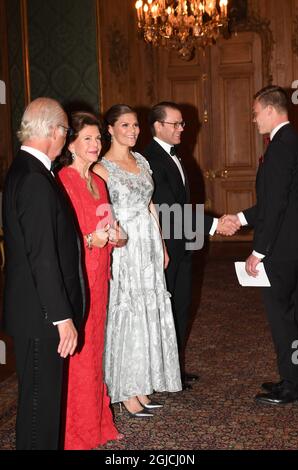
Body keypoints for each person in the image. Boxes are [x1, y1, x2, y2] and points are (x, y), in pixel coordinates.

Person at [2, 97, 85, 450]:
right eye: (66, 131)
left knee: (39, 408)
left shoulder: (24, 169)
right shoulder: (34, 179)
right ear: (53, 131)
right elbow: (42, 257)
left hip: (35, 312)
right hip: (41, 316)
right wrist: (61, 316)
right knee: (40, 412)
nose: (66, 139)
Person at [93, 104, 182, 417]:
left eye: (135, 126)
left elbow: (151, 204)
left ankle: (143, 384)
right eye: (125, 125)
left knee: (149, 309)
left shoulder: (142, 160)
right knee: (129, 311)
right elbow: (100, 213)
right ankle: (126, 390)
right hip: (124, 246)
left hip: (148, 243)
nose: (132, 131)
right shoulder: (101, 168)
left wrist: (162, 244)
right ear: (110, 129)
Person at [143, 101, 239, 388]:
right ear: (158, 126)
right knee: (166, 310)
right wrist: (214, 224)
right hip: (165, 249)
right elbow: (170, 208)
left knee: (181, 307)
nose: (182, 128)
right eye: (176, 123)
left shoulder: (177, 155)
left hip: (182, 244)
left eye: (182, 123)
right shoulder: (149, 159)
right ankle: (162, 374)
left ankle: (175, 371)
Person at [226, 85, 298, 404]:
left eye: (255, 113)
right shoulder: (290, 142)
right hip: (292, 246)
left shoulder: (282, 145)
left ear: (270, 110)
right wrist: (240, 218)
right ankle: (294, 377)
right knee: (293, 315)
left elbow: (276, 205)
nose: (254, 120)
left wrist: (259, 252)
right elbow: (276, 202)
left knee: (282, 318)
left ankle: (292, 384)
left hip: (282, 250)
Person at [57, 111, 124, 449]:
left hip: (101, 276)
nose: (96, 144)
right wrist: (88, 240)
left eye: (98, 138)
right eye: (88, 139)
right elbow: (62, 237)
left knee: (96, 350)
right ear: (71, 144)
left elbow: (107, 223)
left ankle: (97, 423)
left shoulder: (99, 182)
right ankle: (76, 430)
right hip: (78, 277)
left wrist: (116, 234)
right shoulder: (63, 181)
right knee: (80, 353)